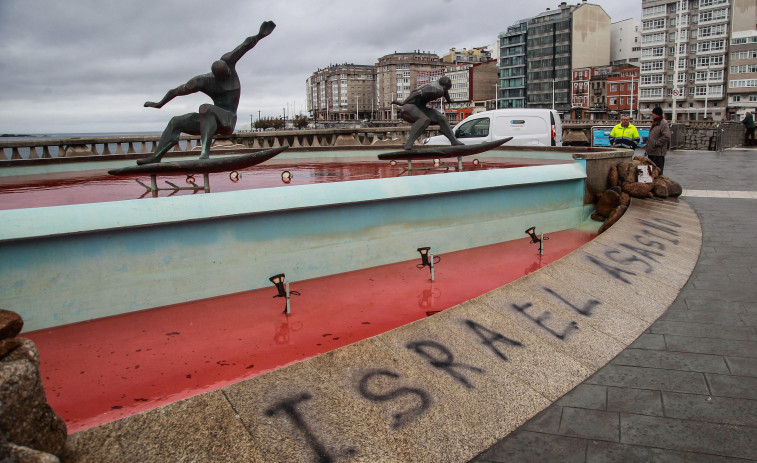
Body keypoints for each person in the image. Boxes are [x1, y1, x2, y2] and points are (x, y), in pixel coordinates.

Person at [138, 21, 276, 165]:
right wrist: (159, 104)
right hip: (209, 121)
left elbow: (245, 45)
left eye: (229, 73)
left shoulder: (228, 61)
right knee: (175, 122)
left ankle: (204, 154)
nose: (229, 75)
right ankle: (157, 156)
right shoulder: (202, 81)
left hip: (228, 119)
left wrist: (260, 35)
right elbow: (176, 91)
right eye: (225, 76)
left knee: (206, 108)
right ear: (216, 76)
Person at [392, 77, 464, 150]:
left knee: (442, 118)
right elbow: (416, 93)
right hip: (409, 107)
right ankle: (409, 144)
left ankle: (454, 141)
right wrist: (403, 103)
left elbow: (446, 95)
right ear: (447, 86)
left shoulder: (442, 88)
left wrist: (449, 101)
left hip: (420, 108)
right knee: (424, 120)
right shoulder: (435, 89)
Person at [645, 106, 671, 174]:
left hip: (658, 153)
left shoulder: (663, 123)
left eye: (653, 113)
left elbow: (667, 136)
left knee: (658, 171)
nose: (652, 115)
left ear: (656, 114)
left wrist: (657, 143)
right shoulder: (655, 122)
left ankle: (659, 183)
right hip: (651, 152)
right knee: (651, 172)